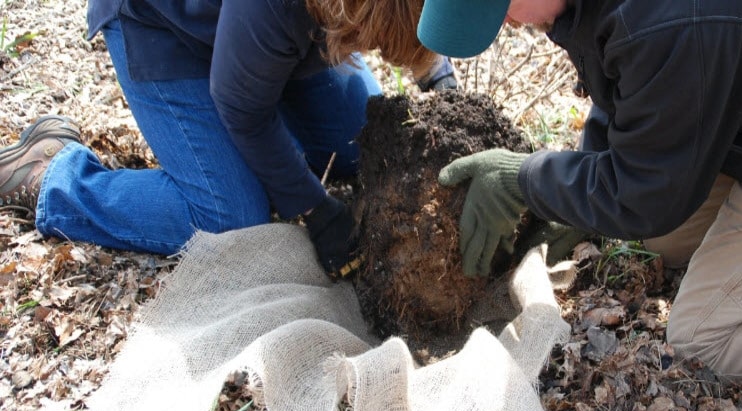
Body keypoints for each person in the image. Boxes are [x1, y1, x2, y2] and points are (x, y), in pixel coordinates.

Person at [418, 0, 742, 388]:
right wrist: (579, 201)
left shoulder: (672, 17)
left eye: (499, 6)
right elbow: (633, 91)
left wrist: (525, 179)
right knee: (660, 240)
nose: (503, 20)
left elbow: (647, 195)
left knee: (704, 336)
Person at [0, 0, 455, 278]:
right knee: (231, 214)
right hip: (166, 26)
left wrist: (442, 84)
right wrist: (315, 209)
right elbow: (243, 110)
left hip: (268, 34)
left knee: (362, 140)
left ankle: (262, 77)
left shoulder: (334, 10)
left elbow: (415, 12)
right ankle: (53, 176)